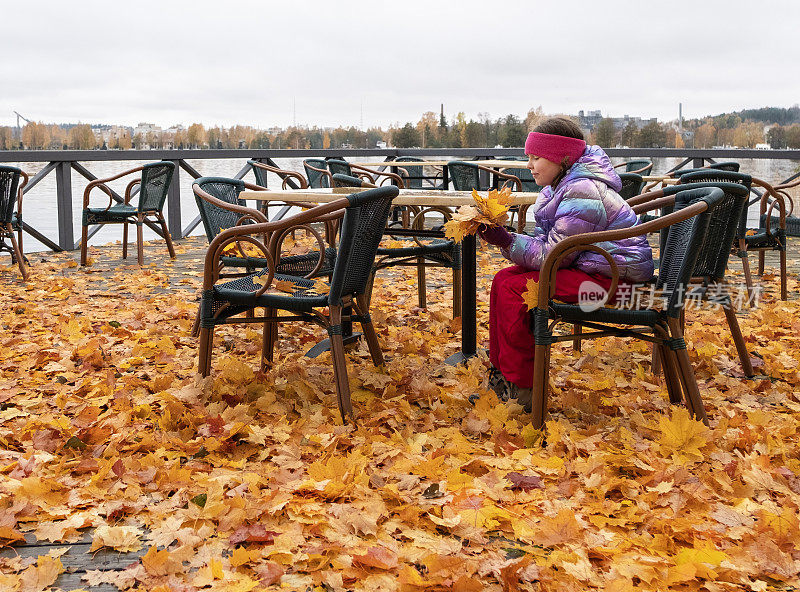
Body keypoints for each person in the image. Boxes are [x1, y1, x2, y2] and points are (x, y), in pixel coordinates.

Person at [479, 117, 654, 409]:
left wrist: (506, 241)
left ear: (562, 157)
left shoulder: (582, 190)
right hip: (589, 269)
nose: (529, 165)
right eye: (529, 157)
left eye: (536, 157)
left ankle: (523, 391)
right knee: (503, 280)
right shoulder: (556, 188)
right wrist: (508, 240)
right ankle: (504, 376)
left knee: (514, 291)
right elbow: (549, 248)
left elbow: (554, 256)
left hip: (613, 281)